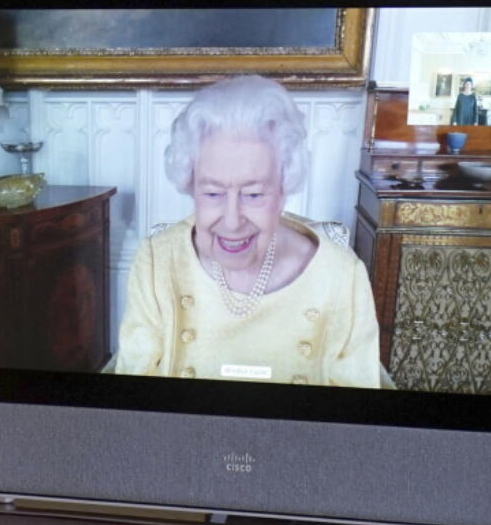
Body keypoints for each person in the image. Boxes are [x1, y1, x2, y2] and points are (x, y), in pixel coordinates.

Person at [112, 75, 383, 388]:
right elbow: (132, 399)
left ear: (284, 188)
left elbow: (354, 416)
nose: (231, 221)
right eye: (213, 193)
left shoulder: (341, 275)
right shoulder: (157, 263)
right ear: (191, 186)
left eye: (253, 194)